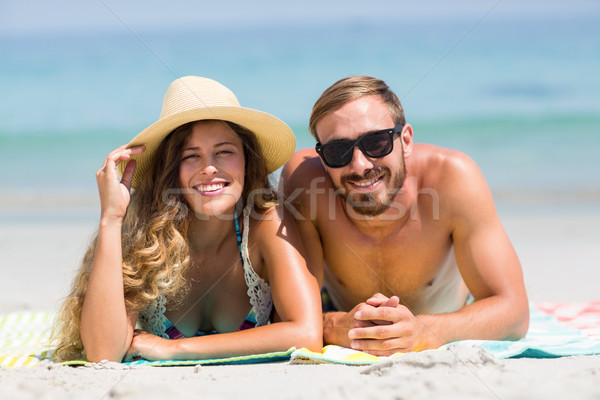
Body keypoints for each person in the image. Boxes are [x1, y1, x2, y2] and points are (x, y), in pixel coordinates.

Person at [53, 76, 322, 362]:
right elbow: (103, 353)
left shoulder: (265, 222)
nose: (209, 168)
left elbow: (306, 335)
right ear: (170, 170)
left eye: (224, 152)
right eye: (190, 156)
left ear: (247, 160)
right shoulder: (145, 231)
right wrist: (111, 217)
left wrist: (173, 348)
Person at [280, 76, 529, 356]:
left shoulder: (452, 177)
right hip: (339, 310)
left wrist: (423, 331)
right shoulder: (305, 182)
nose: (360, 165)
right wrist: (338, 325)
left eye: (376, 142)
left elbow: (515, 313)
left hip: (447, 313)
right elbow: (290, 314)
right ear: (323, 157)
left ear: (406, 140)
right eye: (338, 151)